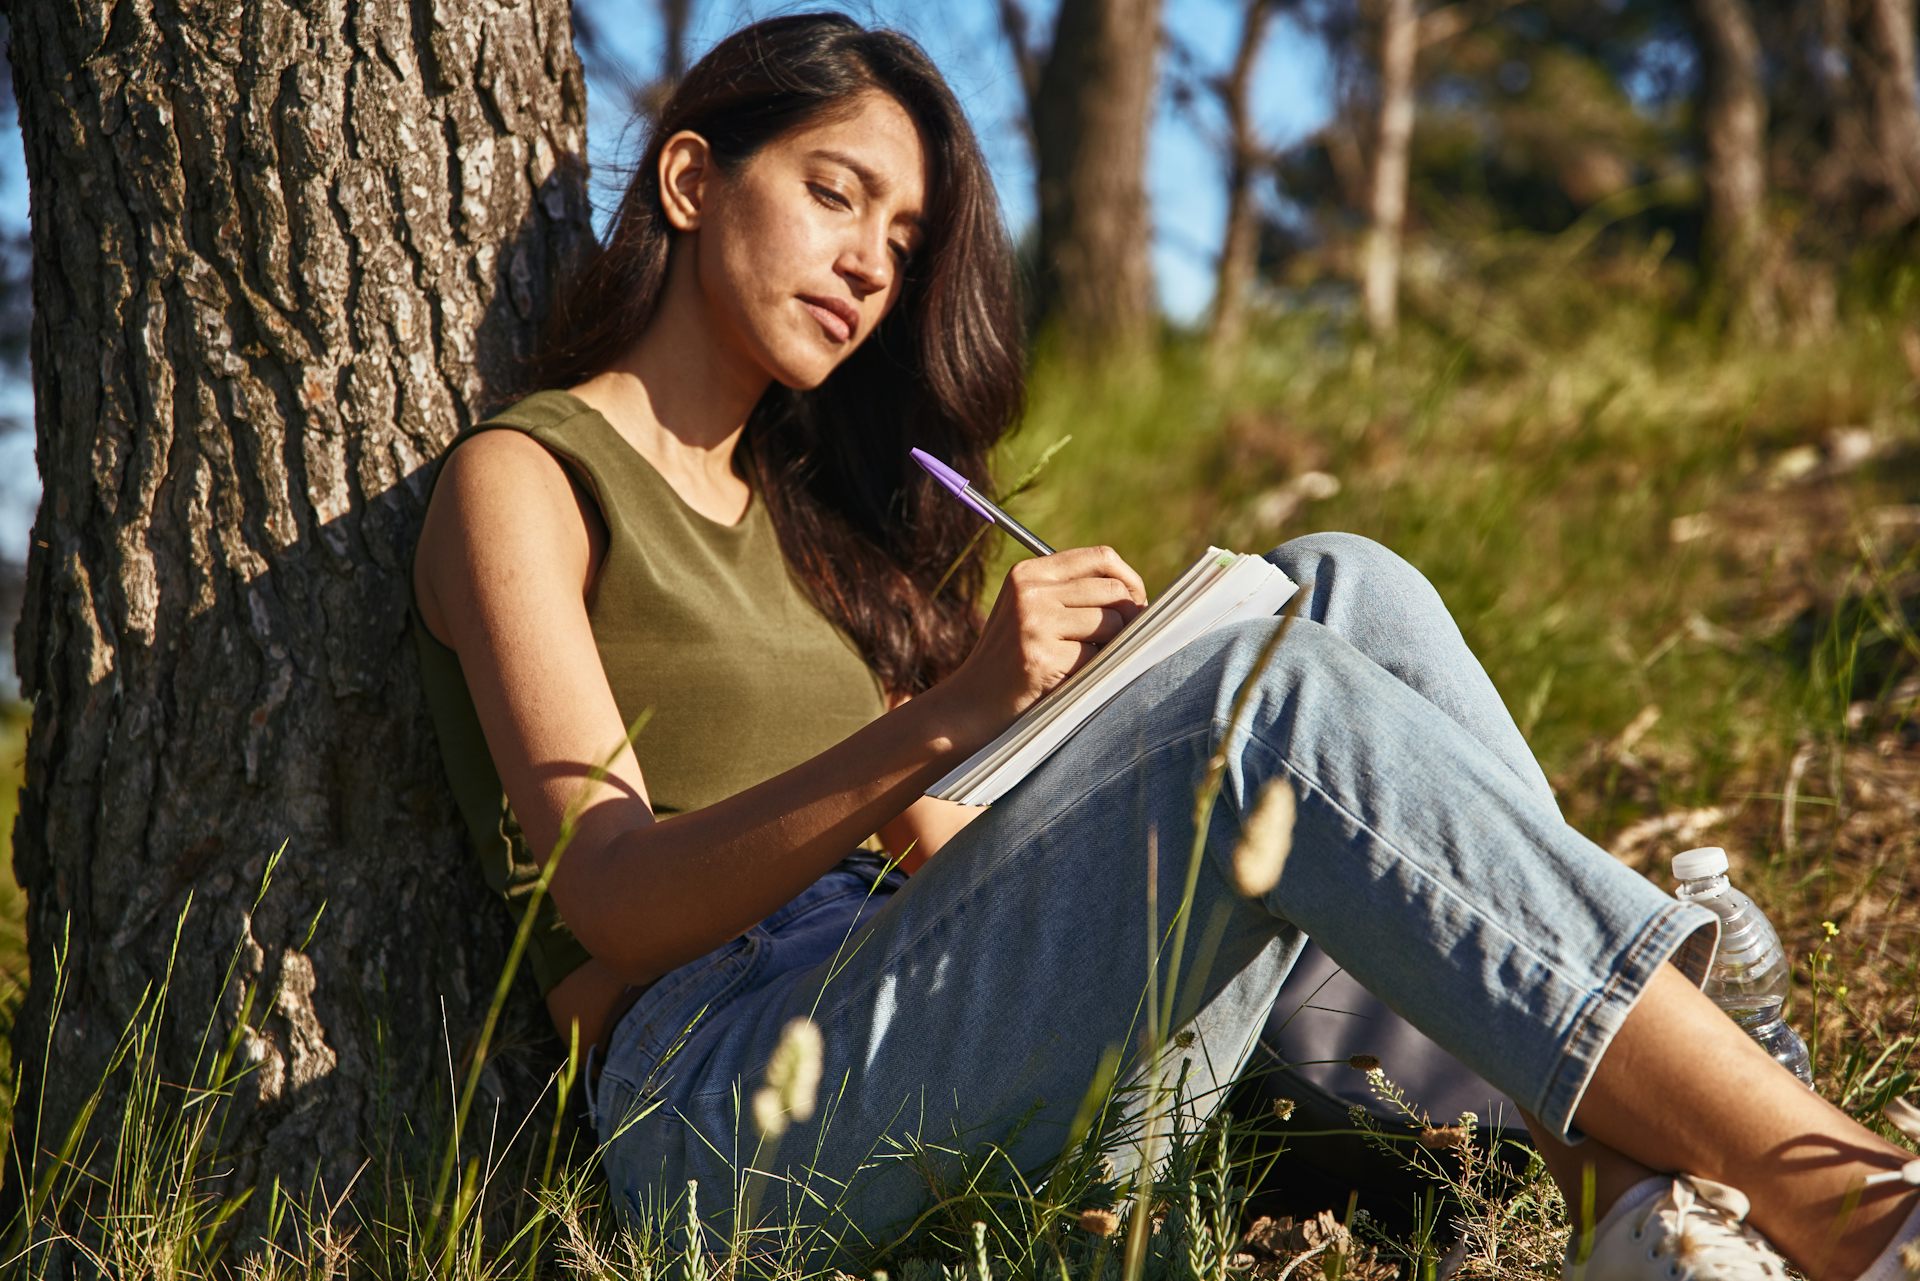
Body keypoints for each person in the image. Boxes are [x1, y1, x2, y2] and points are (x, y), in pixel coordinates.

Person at [407, 13, 1920, 1280]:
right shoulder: (530, 479)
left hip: (937, 1021)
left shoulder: (817, 526)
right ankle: (1835, 1190)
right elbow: (607, 892)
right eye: (832, 192)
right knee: (1259, 705)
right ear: (689, 177)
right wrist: (952, 714)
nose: (871, 261)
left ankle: (1618, 1155)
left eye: (905, 231)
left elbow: (924, 840)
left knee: (1338, 587)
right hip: (736, 1121)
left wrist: (1093, 720)